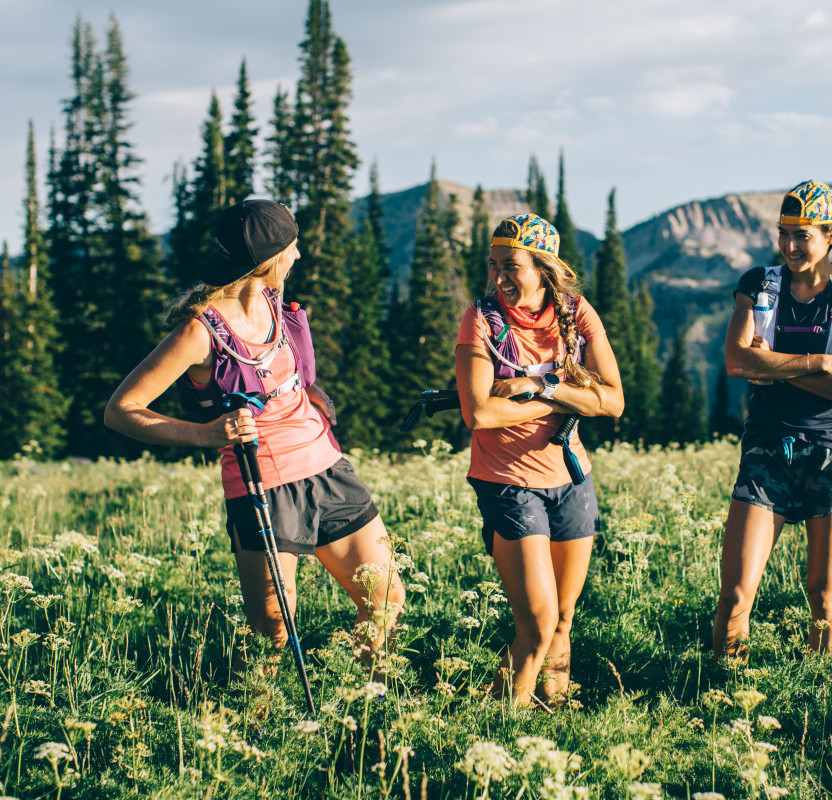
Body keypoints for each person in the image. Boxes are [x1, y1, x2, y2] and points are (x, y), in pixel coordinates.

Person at [105, 199, 403, 668]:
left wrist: (310, 391)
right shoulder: (198, 333)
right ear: (266, 260)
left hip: (327, 467)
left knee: (384, 597)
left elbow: (282, 372)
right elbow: (121, 411)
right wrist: (206, 435)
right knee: (272, 631)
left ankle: (363, 704)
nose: (299, 256)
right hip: (260, 483)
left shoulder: (273, 299)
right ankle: (256, 724)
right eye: (292, 247)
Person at [455, 213, 623, 707]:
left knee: (564, 617)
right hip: (507, 479)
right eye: (494, 266)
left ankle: (555, 709)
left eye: (511, 266)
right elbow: (481, 412)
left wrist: (539, 388)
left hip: (571, 476)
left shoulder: (576, 313)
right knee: (536, 622)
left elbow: (613, 401)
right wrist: (569, 394)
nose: (499, 278)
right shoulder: (481, 319)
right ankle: (507, 721)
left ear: (544, 269)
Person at [715, 181, 832, 660]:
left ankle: (819, 697)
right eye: (783, 233)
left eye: (802, 235)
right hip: (767, 448)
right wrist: (816, 362)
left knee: (825, 598)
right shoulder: (758, 284)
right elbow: (736, 362)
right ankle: (726, 694)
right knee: (735, 595)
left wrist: (773, 367)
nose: (789, 246)